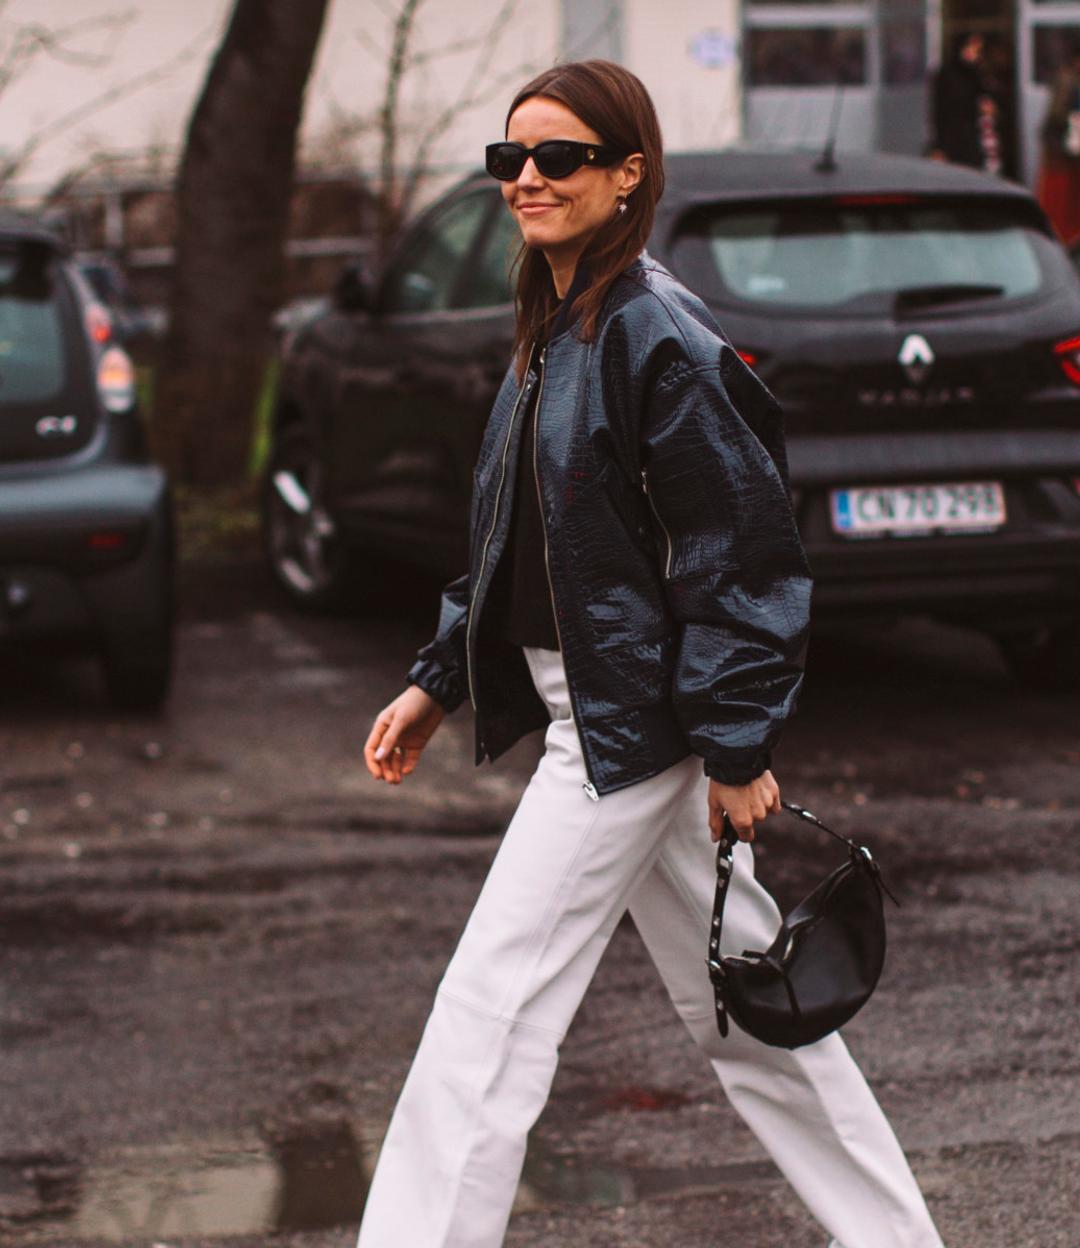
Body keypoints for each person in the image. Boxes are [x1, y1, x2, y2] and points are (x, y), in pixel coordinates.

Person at [354, 58, 947, 1248]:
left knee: (490, 1014)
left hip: (626, 732)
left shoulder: (651, 332)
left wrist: (735, 742)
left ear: (630, 175)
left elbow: (744, 551)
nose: (528, 179)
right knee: (750, 1010)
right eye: (509, 159)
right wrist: (440, 673)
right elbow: (523, 539)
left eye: (560, 157)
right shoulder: (554, 323)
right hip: (619, 712)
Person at [1037, 40, 1080, 240]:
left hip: (1066, 145)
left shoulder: (1077, 80)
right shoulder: (1068, 80)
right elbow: (1058, 114)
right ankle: (1060, 233)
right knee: (1061, 195)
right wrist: (1079, 118)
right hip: (1061, 147)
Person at [931, 31, 992, 169]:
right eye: (972, 48)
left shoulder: (976, 74)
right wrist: (939, 146)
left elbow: (985, 99)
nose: (975, 54)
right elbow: (939, 111)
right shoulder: (946, 74)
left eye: (978, 50)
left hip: (972, 136)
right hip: (952, 138)